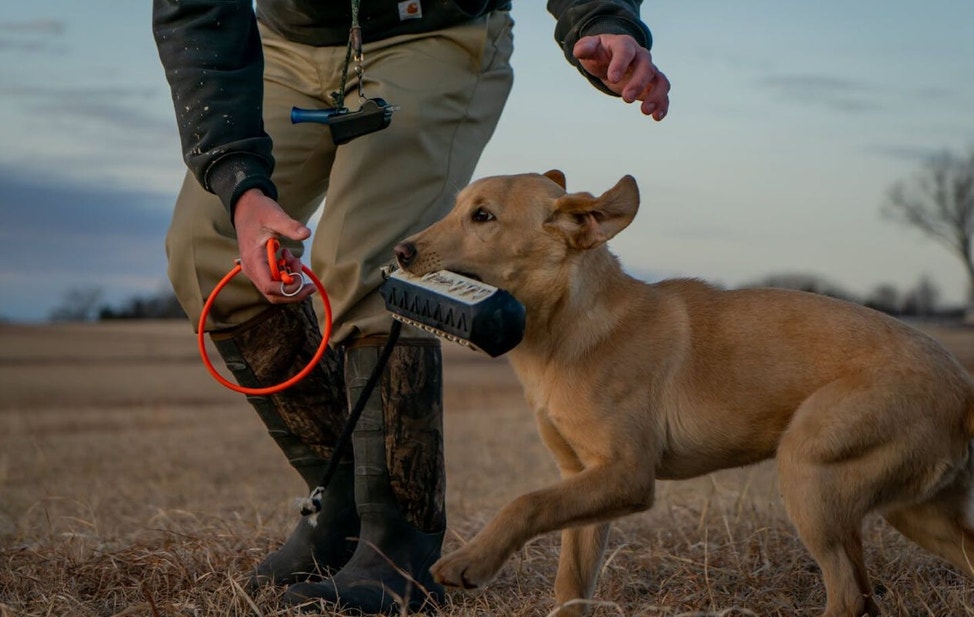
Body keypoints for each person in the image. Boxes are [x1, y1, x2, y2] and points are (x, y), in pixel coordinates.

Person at [152, 0, 670, 613]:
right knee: (203, 252)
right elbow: (195, 11)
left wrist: (601, 15)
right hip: (285, 43)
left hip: (432, 30)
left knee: (371, 260)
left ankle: (396, 548)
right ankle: (344, 506)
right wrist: (240, 183)